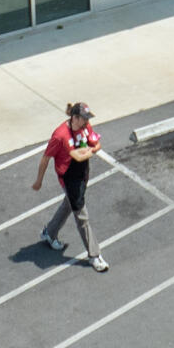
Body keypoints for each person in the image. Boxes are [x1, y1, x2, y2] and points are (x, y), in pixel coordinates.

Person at [32, 102, 108, 269]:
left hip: (82, 173)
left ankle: (50, 232)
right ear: (75, 118)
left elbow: (96, 144)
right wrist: (39, 180)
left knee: (69, 205)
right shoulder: (60, 136)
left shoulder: (85, 126)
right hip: (68, 178)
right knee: (82, 216)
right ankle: (94, 255)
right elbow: (46, 158)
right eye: (84, 118)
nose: (87, 122)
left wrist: (88, 151)